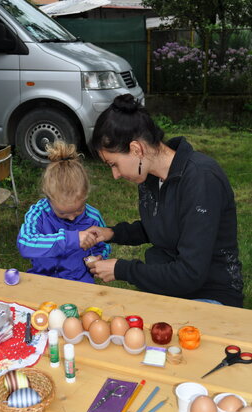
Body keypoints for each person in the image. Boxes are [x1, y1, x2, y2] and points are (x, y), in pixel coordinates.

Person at [86, 94, 243, 307]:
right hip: (168, 289)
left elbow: (190, 274)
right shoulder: (150, 177)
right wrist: (113, 233)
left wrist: (121, 269)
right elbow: (163, 226)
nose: (115, 175)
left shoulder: (201, 179)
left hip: (210, 294)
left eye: (114, 164)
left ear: (136, 149)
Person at [17, 140, 111, 283]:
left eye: (79, 210)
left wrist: (100, 257)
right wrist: (71, 239)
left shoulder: (93, 218)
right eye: (62, 213)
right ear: (49, 198)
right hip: (41, 280)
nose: (72, 218)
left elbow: (104, 245)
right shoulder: (38, 213)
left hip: (79, 282)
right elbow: (25, 244)